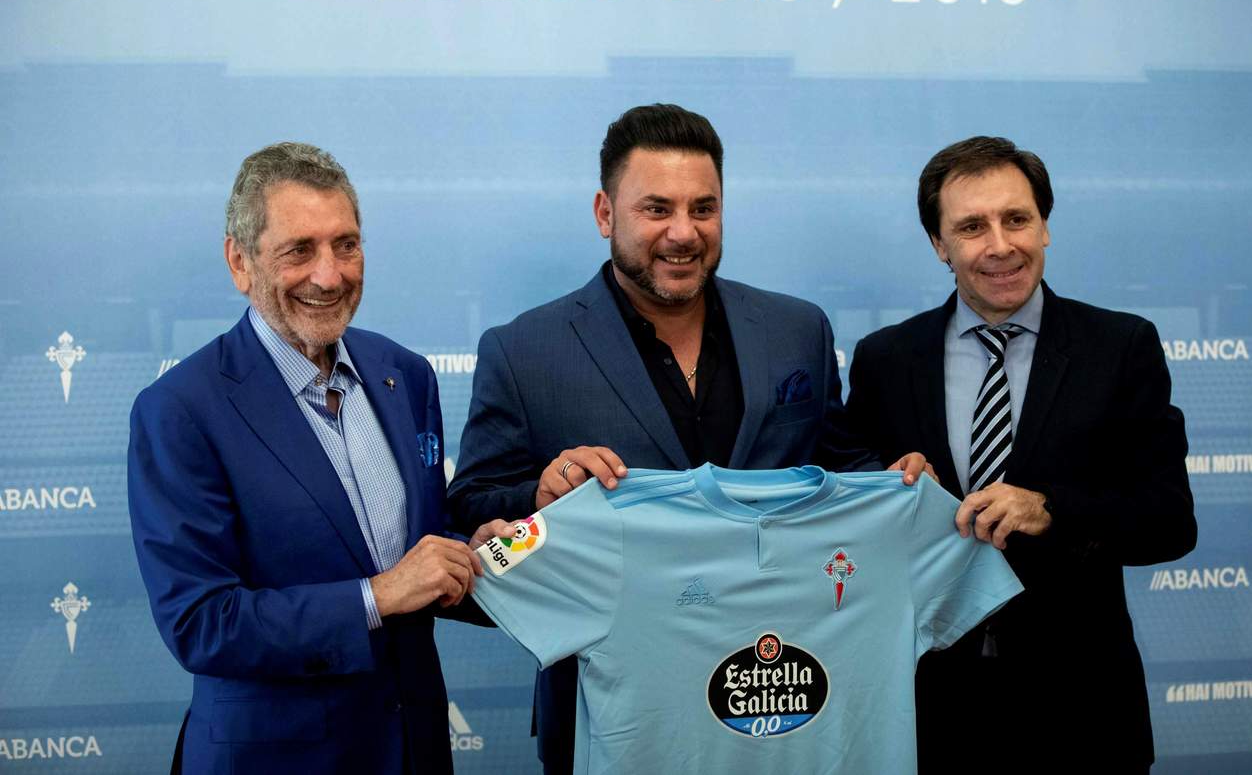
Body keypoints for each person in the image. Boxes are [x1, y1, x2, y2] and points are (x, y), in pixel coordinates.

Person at [448, 104, 927, 774]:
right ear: (605, 214)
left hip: (786, 700)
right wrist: (539, 493)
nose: (683, 232)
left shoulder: (798, 331)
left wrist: (896, 483)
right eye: (657, 209)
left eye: (704, 208)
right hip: (617, 712)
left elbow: (841, 465)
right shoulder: (524, 350)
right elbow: (470, 505)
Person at [128, 142, 506, 775]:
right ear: (240, 262)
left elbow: (413, 549)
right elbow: (201, 622)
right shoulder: (180, 409)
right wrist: (377, 596)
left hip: (414, 750)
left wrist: (473, 554)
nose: (329, 276)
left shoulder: (405, 374)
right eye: (299, 250)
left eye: (346, 245)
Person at [844, 135, 1197, 773]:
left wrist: (1050, 508)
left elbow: (1169, 522)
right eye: (972, 227)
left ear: (1045, 227)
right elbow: (851, 498)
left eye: (1017, 219)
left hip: (1080, 711)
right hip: (925, 709)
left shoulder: (1120, 347)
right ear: (939, 244)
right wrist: (884, 484)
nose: (1000, 245)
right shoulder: (885, 359)